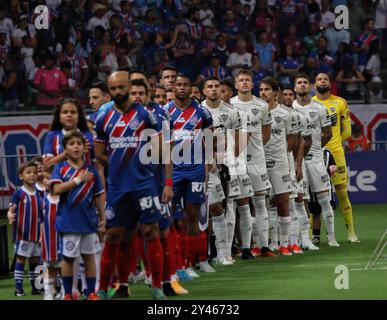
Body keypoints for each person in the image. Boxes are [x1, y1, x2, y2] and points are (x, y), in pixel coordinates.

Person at [94, 71, 172, 300]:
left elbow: (162, 150)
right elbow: (99, 153)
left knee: (151, 231)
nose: (118, 92)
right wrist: (121, 165)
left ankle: (157, 286)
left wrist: (164, 181)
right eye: (113, 89)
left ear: (128, 86)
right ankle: (106, 288)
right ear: (110, 90)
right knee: (115, 236)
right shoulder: (103, 118)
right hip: (118, 188)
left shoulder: (147, 116)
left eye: (121, 87)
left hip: (144, 185)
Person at [164, 73, 213, 276]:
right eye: (179, 85)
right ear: (173, 87)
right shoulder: (164, 111)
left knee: (193, 214)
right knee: (172, 217)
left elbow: (209, 142)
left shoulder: (202, 112)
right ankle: (177, 263)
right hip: (173, 170)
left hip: (195, 169)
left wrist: (208, 169)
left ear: (191, 88)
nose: (182, 88)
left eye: (186, 84)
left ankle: (191, 263)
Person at [51, 131, 105, 300]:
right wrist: (78, 180)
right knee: (68, 258)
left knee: (89, 257)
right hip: (68, 221)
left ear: (84, 147)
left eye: (78, 144)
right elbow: (56, 189)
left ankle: (91, 293)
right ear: (65, 148)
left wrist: (102, 218)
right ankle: (68, 293)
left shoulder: (91, 170)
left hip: (89, 221)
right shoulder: (60, 168)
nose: (75, 147)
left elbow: (98, 195)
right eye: (71, 144)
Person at [293, 74, 340, 247]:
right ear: (294, 87)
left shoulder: (319, 108)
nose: (302, 85)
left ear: (310, 86)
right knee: (300, 201)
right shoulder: (290, 108)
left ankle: (332, 237)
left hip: (316, 161)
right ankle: (303, 238)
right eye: (299, 83)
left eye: (305, 82)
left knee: (324, 200)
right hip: (296, 162)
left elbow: (328, 133)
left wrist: (315, 147)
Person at [313, 73, 360, 243]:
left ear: (330, 83)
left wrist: (335, 143)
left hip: (336, 153)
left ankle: (351, 232)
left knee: (341, 192)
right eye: (319, 79)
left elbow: (347, 130)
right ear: (314, 84)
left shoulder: (340, 102)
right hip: (316, 153)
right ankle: (314, 235)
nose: (322, 81)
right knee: (315, 195)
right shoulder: (310, 103)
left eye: (325, 79)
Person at [201, 76, 243, 265]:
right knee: (206, 210)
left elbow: (239, 139)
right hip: (205, 167)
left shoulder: (232, 111)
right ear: (204, 91)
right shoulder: (199, 111)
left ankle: (225, 252)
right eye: (209, 87)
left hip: (227, 165)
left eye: (217, 86)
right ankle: (207, 252)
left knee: (226, 207)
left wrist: (233, 161)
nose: (214, 89)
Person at [231, 70, 271, 258]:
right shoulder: (229, 104)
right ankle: (246, 247)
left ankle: (264, 246)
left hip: (257, 160)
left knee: (260, 202)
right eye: (241, 81)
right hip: (237, 161)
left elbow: (266, 131)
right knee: (241, 204)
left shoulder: (262, 105)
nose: (245, 83)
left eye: (247, 80)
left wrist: (256, 148)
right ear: (236, 85)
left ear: (252, 84)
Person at [259, 77, 299, 256]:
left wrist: (282, 155)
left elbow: (292, 139)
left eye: (267, 89)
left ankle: (284, 244)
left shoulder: (286, 113)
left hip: (280, 163)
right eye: (261, 90)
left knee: (282, 201)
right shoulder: (256, 111)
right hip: (259, 162)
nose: (263, 93)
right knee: (259, 204)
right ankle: (266, 243)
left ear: (276, 92)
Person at [7, 161, 43, 297]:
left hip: (37, 235)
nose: (32, 175)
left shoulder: (40, 194)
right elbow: (11, 209)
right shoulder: (18, 193)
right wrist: (10, 215)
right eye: (28, 173)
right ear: (21, 176)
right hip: (23, 235)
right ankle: (18, 289)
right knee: (21, 260)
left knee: (35, 261)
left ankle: (36, 287)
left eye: (34, 172)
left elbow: (42, 214)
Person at [42, 98, 95, 170]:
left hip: (86, 179)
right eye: (65, 112)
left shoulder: (88, 136)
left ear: (79, 116)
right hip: (61, 180)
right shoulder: (52, 136)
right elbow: (46, 165)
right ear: (59, 117)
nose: (69, 115)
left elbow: (98, 165)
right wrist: (67, 153)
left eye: (73, 112)